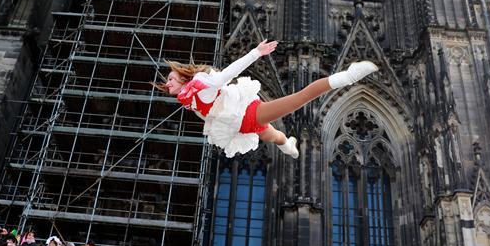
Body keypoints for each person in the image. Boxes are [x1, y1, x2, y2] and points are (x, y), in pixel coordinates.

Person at [156, 40, 377, 159]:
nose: (169, 83)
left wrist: (256, 53)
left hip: (248, 114)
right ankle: (288, 146)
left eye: (171, 78)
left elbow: (227, 74)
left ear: (183, 77)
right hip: (241, 126)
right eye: (167, 82)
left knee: (298, 99)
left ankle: (349, 76)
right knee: (277, 138)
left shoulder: (200, 84)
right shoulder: (189, 99)